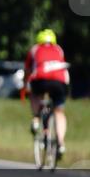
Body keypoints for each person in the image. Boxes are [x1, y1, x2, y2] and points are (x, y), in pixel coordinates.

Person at [24, 28, 70, 159]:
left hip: (40, 79)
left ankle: (36, 118)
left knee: (34, 94)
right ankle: (61, 142)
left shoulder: (34, 49)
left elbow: (27, 70)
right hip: (60, 81)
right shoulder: (59, 49)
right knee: (59, 112)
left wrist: (24, 85)